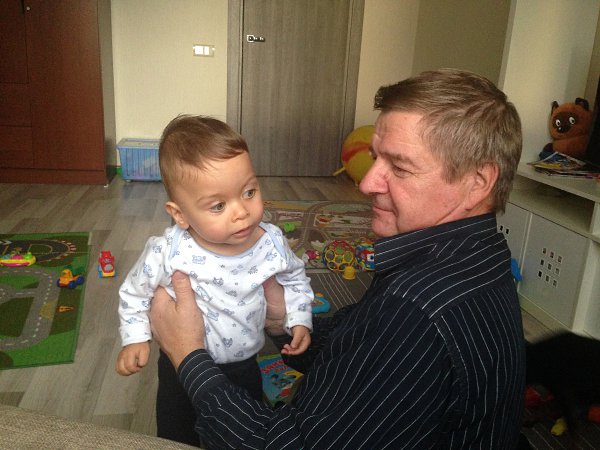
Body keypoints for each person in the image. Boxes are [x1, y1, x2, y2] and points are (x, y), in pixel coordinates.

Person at [149, 69, 526, 449]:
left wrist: (188, 354)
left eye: (399, 167)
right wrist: (282, 323)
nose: (367, 183)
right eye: (375, 158)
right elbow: (359, 342)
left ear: (478, 182)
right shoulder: (480, 255)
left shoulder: (414, 310)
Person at [116, 115, 313, 446]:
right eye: (219, 205)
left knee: (243, 431)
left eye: (249, 192)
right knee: (176, 435)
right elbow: (135, 293)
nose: (241, 211)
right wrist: (136, 338)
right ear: (180, 214)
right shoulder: (169, 251)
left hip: (245, 364)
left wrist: (299, 318)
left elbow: (295, 278)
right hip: (180, 368)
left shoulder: (270, 243)